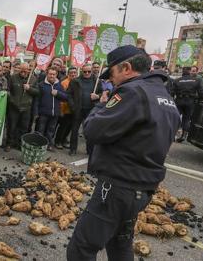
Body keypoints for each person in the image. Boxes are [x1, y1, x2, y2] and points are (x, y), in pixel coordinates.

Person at [67, 46, 180, 261]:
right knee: (119, 244)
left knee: (81, 248)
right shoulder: (163, 96)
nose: (111, 81)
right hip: (142, 188)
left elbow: (93, 131)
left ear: (126, 68)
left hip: (119, 186)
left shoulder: (132, 92)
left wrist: (100, 105)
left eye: (112, 74)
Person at [68, 63, 103, 156]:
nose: (87, 73)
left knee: (89, 131)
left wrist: (97, 96)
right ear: (82, 71)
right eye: (85, 71)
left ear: (91, 71)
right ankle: (73, 149)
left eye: (89, 71)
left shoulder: (97, 81)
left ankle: (89, 150)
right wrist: (73, 106)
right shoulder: (75, 81)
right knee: (75, 130)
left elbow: (102, 93)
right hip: (78, 109)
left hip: (91, 110)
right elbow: (69, 94)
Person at [34, 67, 68, 150]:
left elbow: (65, 97)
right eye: (50, 74)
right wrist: (35, 113)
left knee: (50, 131)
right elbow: (37, 100)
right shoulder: (41, 85)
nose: (52, 76)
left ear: (56, 75)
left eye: (54, 74)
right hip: (43, 113)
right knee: (40, 130)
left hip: (55, 113)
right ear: (47, 74)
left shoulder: (59, 85)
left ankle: (49, 145)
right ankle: (39, 145)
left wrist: (58, 93)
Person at [7, 63, 39, 149]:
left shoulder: (33, 79)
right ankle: (9, 143)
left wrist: (29, 89)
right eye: (22, 70)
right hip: (14, 107)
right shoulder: (13, 77)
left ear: (28, 70)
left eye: (25, 70)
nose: (23, 72)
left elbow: (37, 92)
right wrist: (12, 101)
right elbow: (8, 91)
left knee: (23, 128)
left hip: (26, 108)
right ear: (19, 69)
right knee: (11, 127)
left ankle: (19, 144)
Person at [172, 66, 203, 143]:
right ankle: (183, 135)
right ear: (190, 71)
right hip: (190, 101)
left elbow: (172, 92)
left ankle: (172, 135)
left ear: (182, 71)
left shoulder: (177, 80)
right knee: (186, 118)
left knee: (175, 117)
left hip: (179, 101)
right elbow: (201, 92)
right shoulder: (196, 80)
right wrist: (200, 99)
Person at [55, 67, 78, 149]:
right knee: (63, 126)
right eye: (71, 73)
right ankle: (58, 141)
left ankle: (64, 140)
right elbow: (62, 97)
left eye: (75, 73)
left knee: (69, 127)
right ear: (68, 74)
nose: (73, 74)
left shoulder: (78, 82)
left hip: (74, 110)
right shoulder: (64, 83)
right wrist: (61, 110)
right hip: (65, 109)